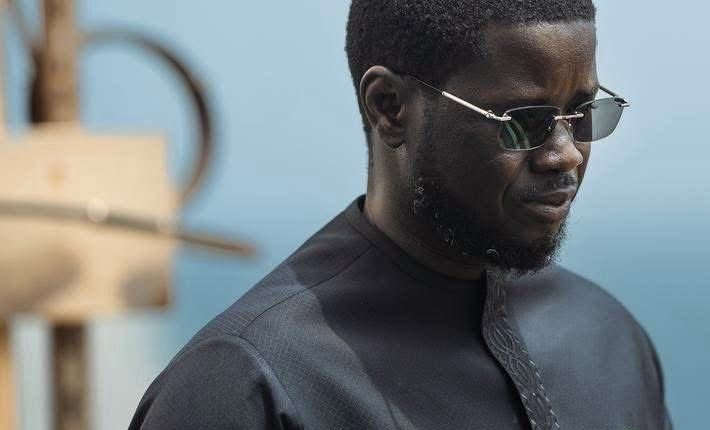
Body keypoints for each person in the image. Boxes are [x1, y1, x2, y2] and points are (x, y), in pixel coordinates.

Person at [129, 1, 673, 429]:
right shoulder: (250, 384)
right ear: (389, 106)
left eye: (583, 114)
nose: (565, 154)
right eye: (523, 121)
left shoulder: (606, 337)